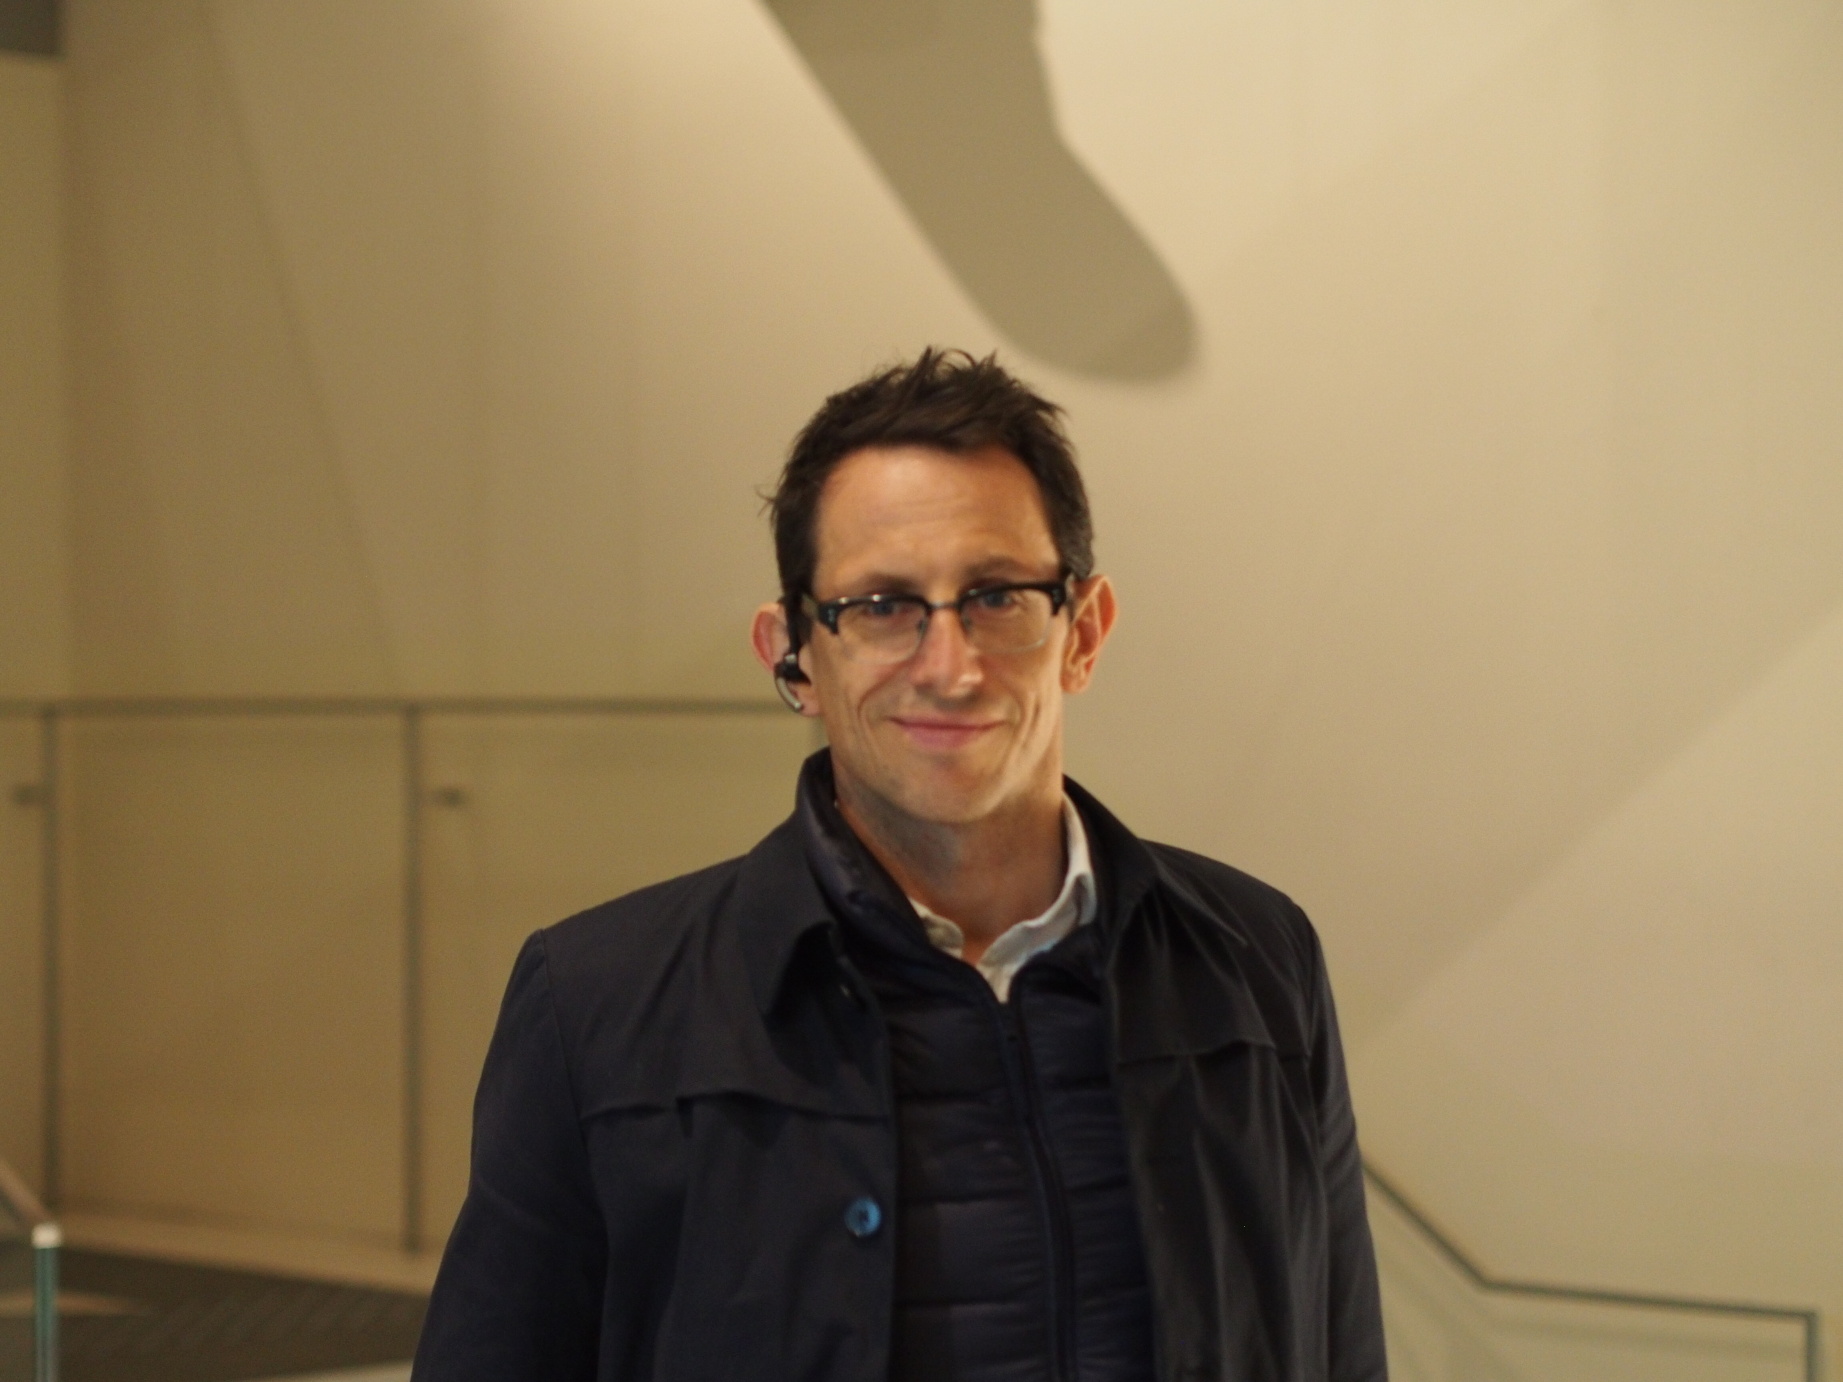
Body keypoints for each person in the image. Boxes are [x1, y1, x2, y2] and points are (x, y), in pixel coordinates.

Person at [413, 349, 1386, 1382]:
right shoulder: (596, 1006)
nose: (949, 667)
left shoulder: (1259, 958)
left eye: (997, 596)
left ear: (1083, 632)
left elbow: (1340, 1352)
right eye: (881, 605)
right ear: (793, 655)